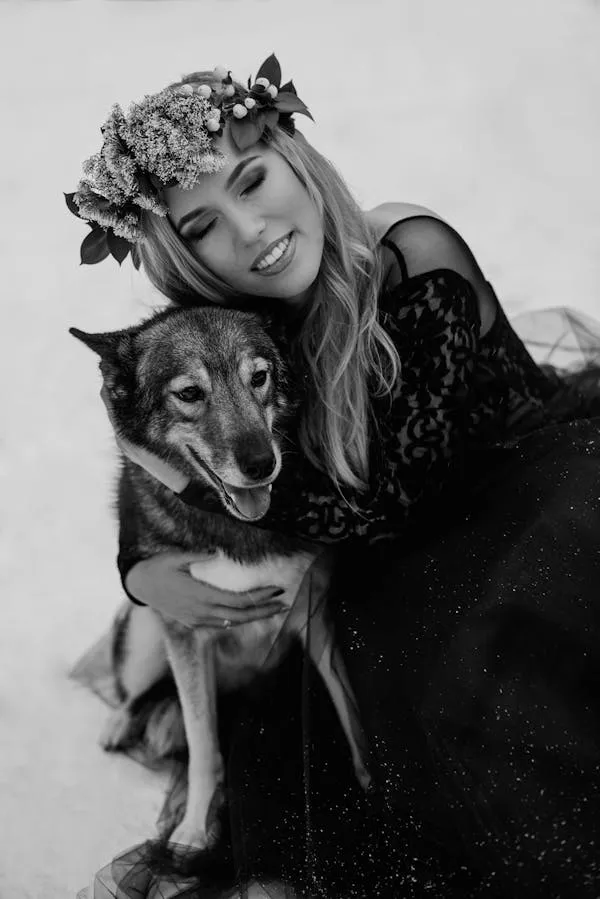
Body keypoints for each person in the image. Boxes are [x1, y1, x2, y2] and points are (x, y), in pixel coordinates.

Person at [67, 55, 600, 899]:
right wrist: (143, 567)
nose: (247, 230)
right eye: (203, 226)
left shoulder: (411, 254)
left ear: (298, 160)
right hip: (384, 574)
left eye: (252, 179)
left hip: (519, 501)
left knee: (508, 701)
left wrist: (188, 479)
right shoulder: (242, 329)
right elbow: (162, 437)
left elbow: (391, 499)